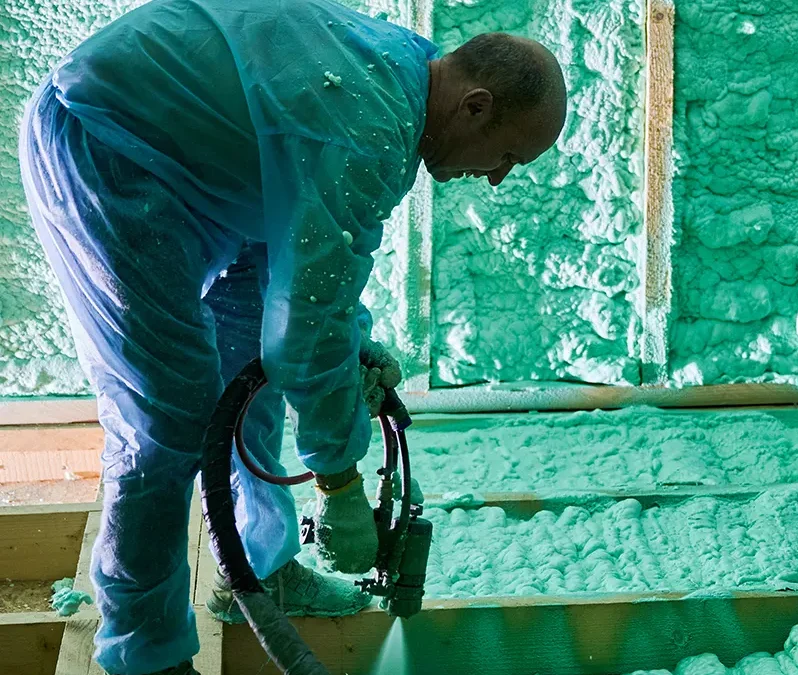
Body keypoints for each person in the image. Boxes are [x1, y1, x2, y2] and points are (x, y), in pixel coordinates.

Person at [18, 0, 567, 672]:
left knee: (252, 361)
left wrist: (351, 342)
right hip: (109, 142)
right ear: (475, 107)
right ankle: (143, 649)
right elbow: (306, 327)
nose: (499, 176)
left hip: (199, 158)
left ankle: (260, 563)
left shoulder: (414, 68)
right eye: (509, 155)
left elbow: (315, 264)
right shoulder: (370, 127)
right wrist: (340, 484)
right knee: (171, 410)